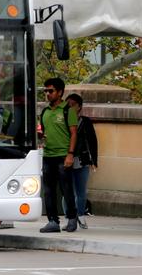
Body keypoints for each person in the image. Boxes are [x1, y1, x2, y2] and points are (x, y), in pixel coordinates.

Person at [38, 77, 79, 233]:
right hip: (48, 155)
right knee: (48, 190)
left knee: (66, 189)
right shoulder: (45, 111)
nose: (48, 94)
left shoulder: (68, 110)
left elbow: (74, 134)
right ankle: (53, 221)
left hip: (63, 155)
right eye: (46, 91)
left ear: (60, 92)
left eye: (51, 91)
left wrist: (70, 154)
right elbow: (43, 131)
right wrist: (41, 136)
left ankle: (72, 218)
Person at [64, 93, 98, 229]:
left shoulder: (85, 121)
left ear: (79, 107)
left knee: (81, 191)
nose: (70, 107)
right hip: (66, 159)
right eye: (68, 105)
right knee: (67, 190)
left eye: (73, 105)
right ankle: (69, 217)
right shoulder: (63, 119)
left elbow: (92, 141)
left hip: (82, 159)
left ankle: (81, 215)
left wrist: (94, 160)